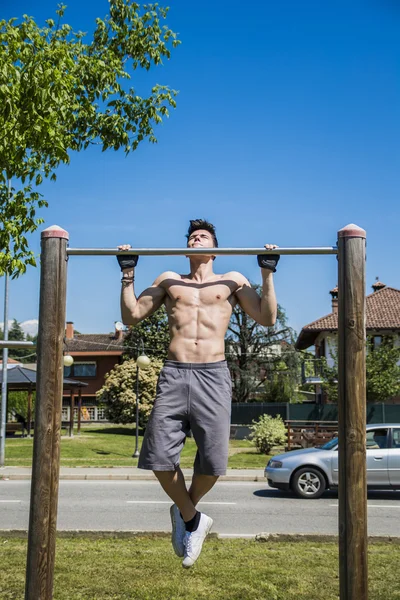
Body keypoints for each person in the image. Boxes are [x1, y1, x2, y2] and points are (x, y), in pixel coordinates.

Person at [117, 219, 278, 568]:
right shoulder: (168, 281)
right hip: (174, 373)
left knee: (214, 462)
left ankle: (184, 513)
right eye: (191, 236)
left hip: (213, 375)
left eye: (202, 235)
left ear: (214, 249)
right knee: (158, 456)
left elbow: (267, 318)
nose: (195, 238)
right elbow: (131, 317)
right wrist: (127, 274)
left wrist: (267, 274)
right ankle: (193, 519)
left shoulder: (232, 280)